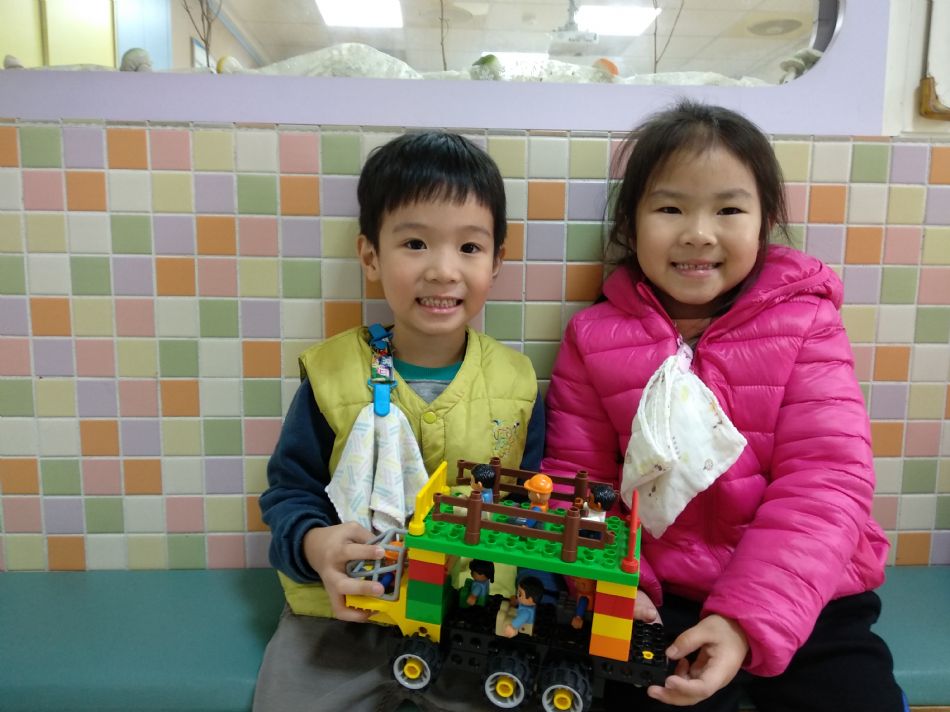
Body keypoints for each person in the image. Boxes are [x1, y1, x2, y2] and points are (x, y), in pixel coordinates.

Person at [542, 100, 903, 712]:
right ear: (630, 225)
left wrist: (744, 619)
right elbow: (578, 486)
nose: (698, 233)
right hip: (660, 599)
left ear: (764, 224)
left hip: (810, 593)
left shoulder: (808, 324)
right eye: (670, 208)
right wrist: (610, 587)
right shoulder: (592, 337)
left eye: (728, 210)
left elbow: (828, 482)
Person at [254, 130, 545, 712]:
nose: (443, 270)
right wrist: (314, 545)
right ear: (370, 257)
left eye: (469, 247)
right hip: (339, 613)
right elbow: (289, 491)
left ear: (497, 261)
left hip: (470, 618)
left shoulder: (519, 385)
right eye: (415, 243)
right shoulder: (333, 374)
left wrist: (540, 595)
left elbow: (539, 505)